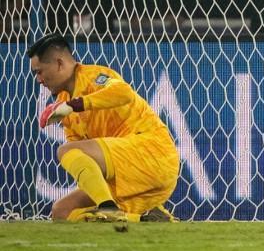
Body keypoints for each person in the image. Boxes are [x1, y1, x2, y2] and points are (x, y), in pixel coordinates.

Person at [27, 33, 180, 224]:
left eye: (39, 72)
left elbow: (124, 93)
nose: (38, 79)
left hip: (154, 154)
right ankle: (146, 219)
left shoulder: (95, 77)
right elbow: (83, 159)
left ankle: (108, 208)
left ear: (59, 64)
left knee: (64, 150)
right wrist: (69, 107)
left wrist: (76, 104)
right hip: (127, 172)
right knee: (62, 211)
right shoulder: (64, 105)